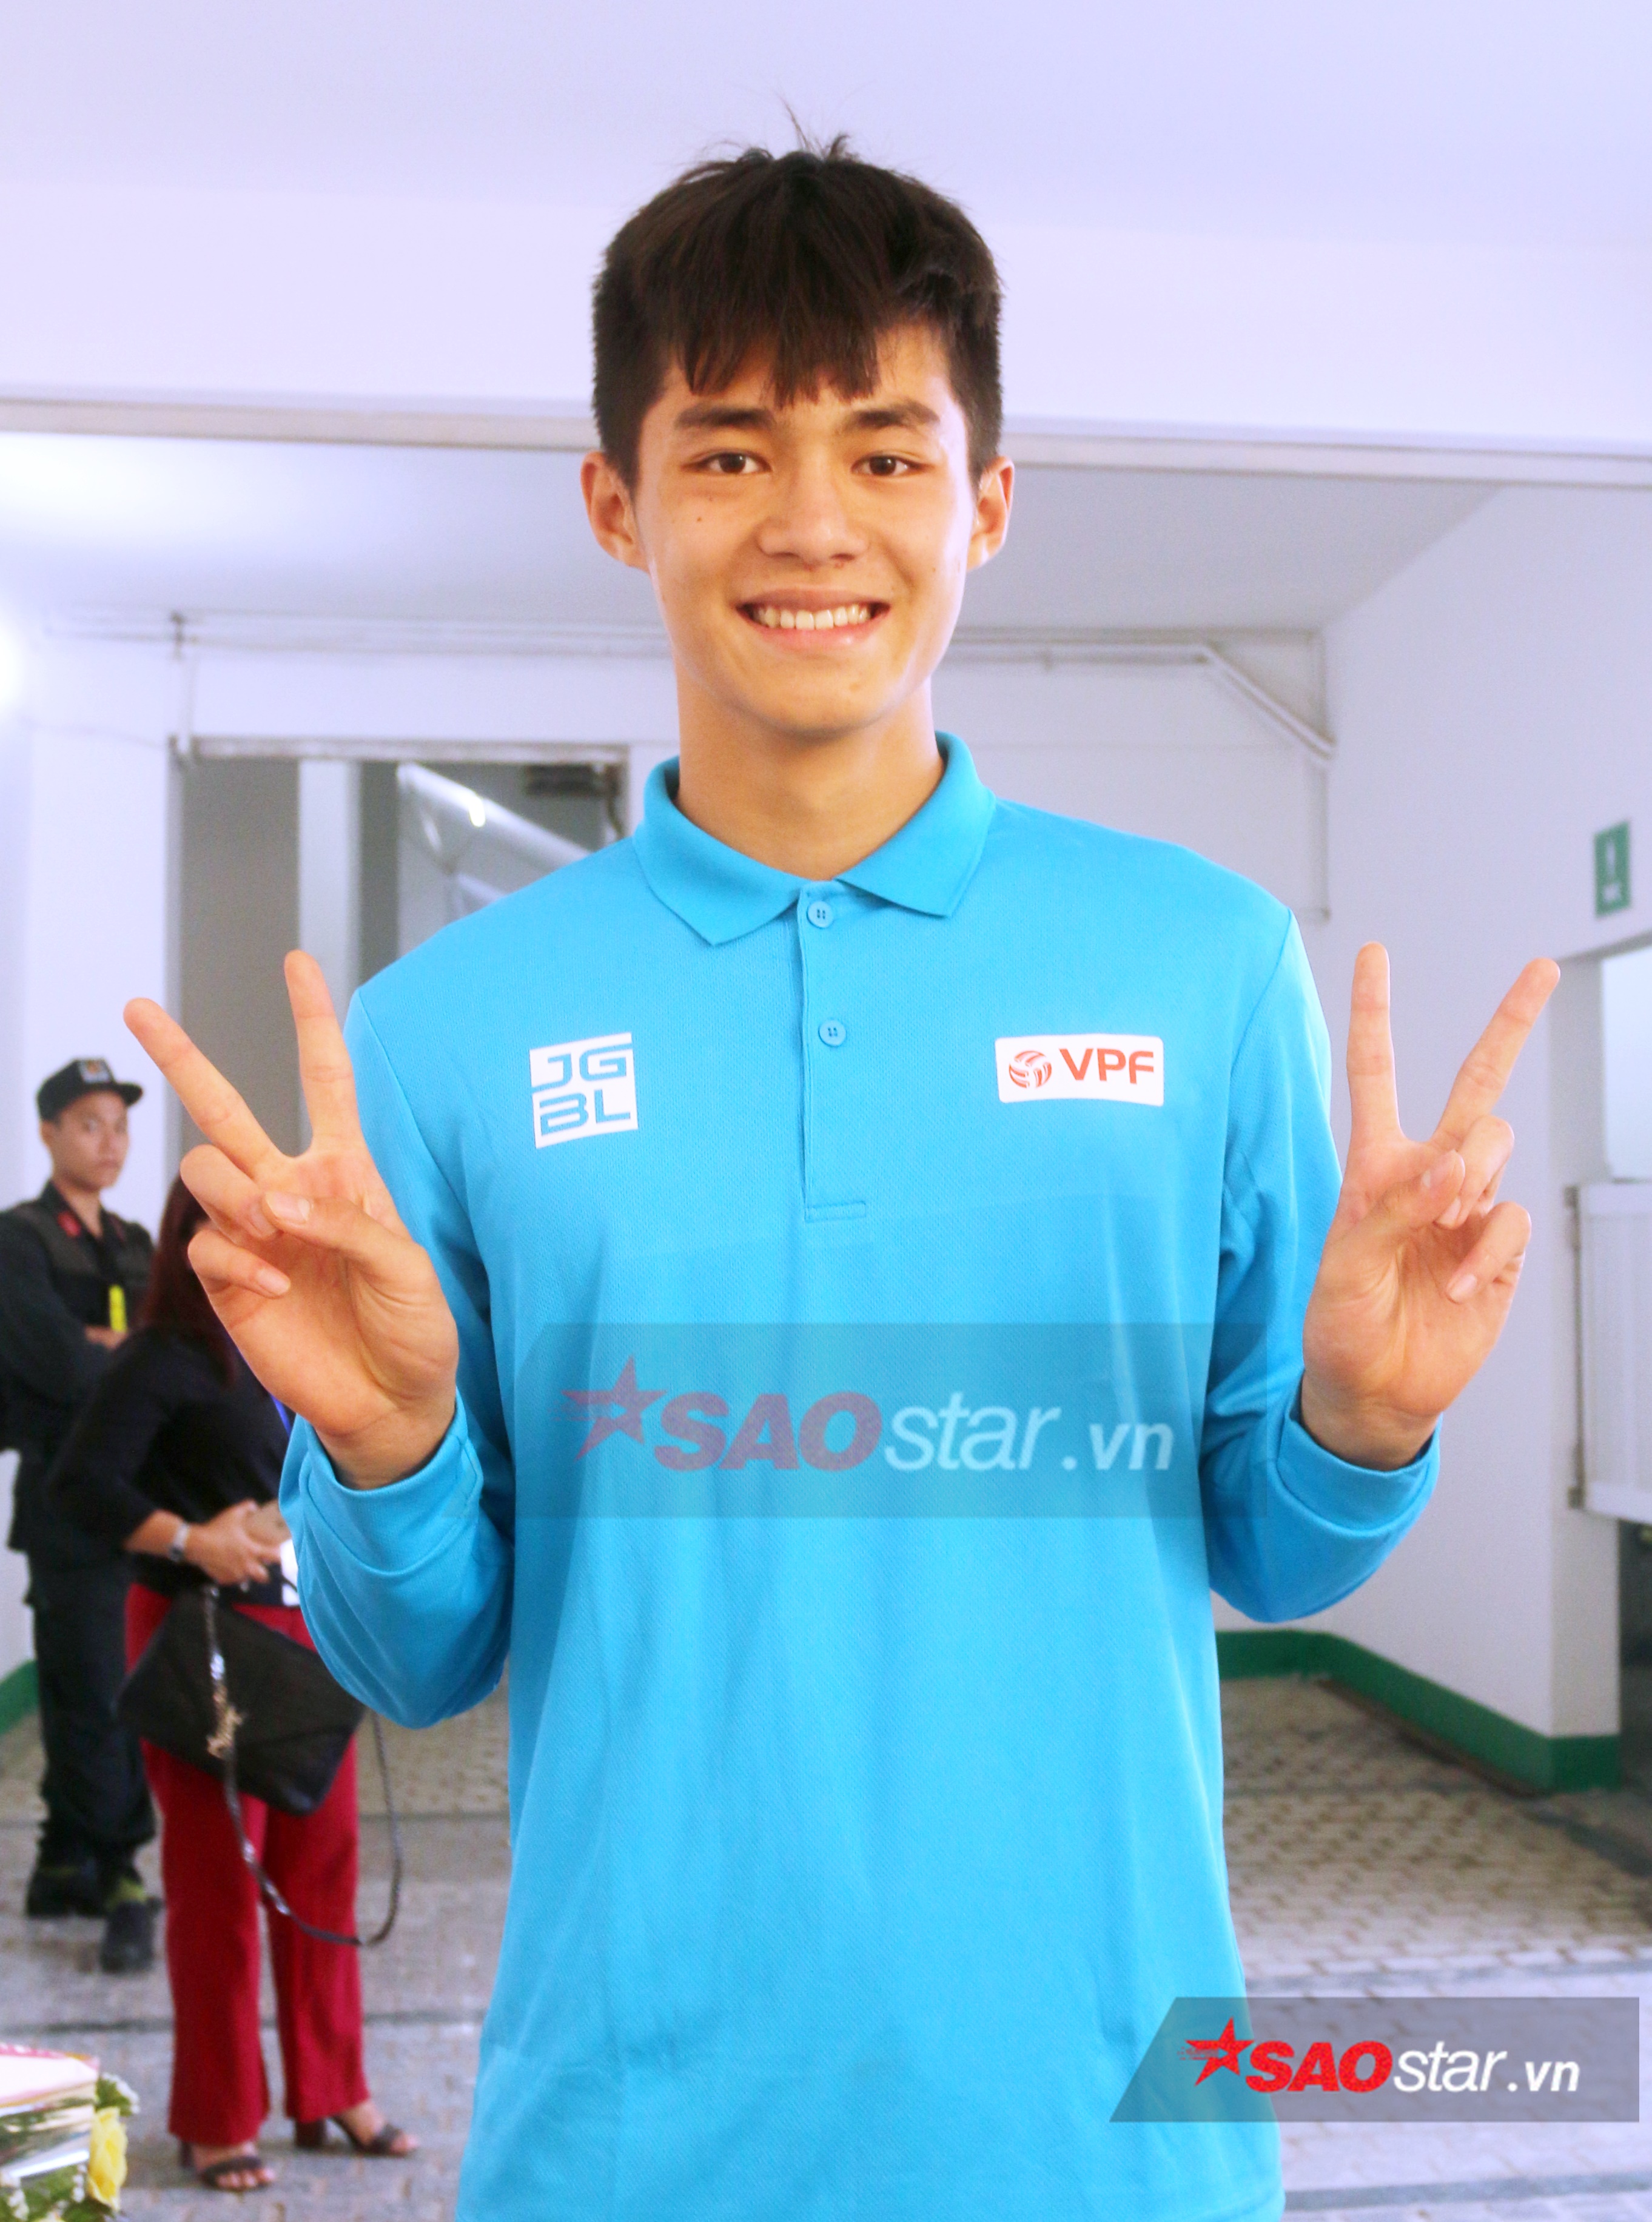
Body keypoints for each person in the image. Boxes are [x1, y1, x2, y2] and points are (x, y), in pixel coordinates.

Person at [129, 141, 1560, 2221]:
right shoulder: (444, 1034)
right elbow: (420, 1662)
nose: (812, 523)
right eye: (727, 453)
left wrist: (1359, 1417)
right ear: (615, 501)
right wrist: (391, 1450)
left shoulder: (1203, 961)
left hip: (1109, 2147)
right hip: (624, 2150)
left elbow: (1275, 1552)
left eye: (887, 453)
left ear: (986, 500)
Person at [49, 1175, 416, 2193]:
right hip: (203, 1633)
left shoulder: (293, 1353)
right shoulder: (165, 1356)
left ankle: (333, 2089)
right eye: (238, 1230)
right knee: (218, 1878)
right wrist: (189, 1538)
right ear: (191, 1241)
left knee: (323, 1862)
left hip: (307, 1630)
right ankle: (217, 2118)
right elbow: (79, 1486)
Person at [0, 1058, 156, 1972]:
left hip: (140, 1496)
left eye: (120, 1126)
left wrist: (113, 1348)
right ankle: (120, 1871)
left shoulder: (136, 1242)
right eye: (90, 1123)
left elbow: (168, 1357)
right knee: (96, 1689)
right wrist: (118, 1352)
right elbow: (57, 1365)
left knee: (104, 1678)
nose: (110, 1141)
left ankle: (63, 1862)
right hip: (67, 1505)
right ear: (50, 1132)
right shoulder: (20, 1241)